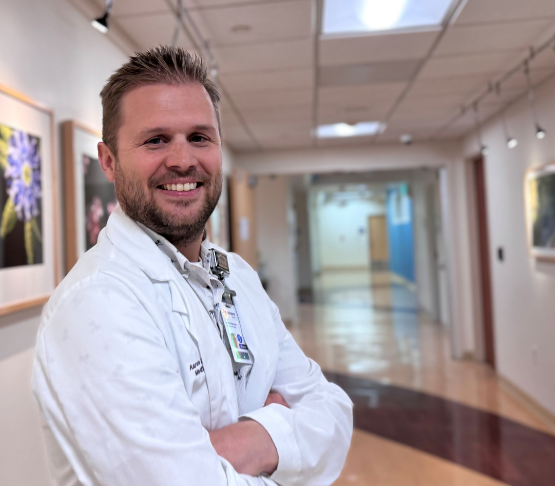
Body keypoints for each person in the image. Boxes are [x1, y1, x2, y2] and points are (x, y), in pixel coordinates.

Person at [32, 46, 353, 485]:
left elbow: (333, 413)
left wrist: (246, 441)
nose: (182, 160)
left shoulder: (235, 275)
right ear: (109, 161)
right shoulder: (98, 302)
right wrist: (283, 433)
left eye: (199, 137)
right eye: (156, 140)